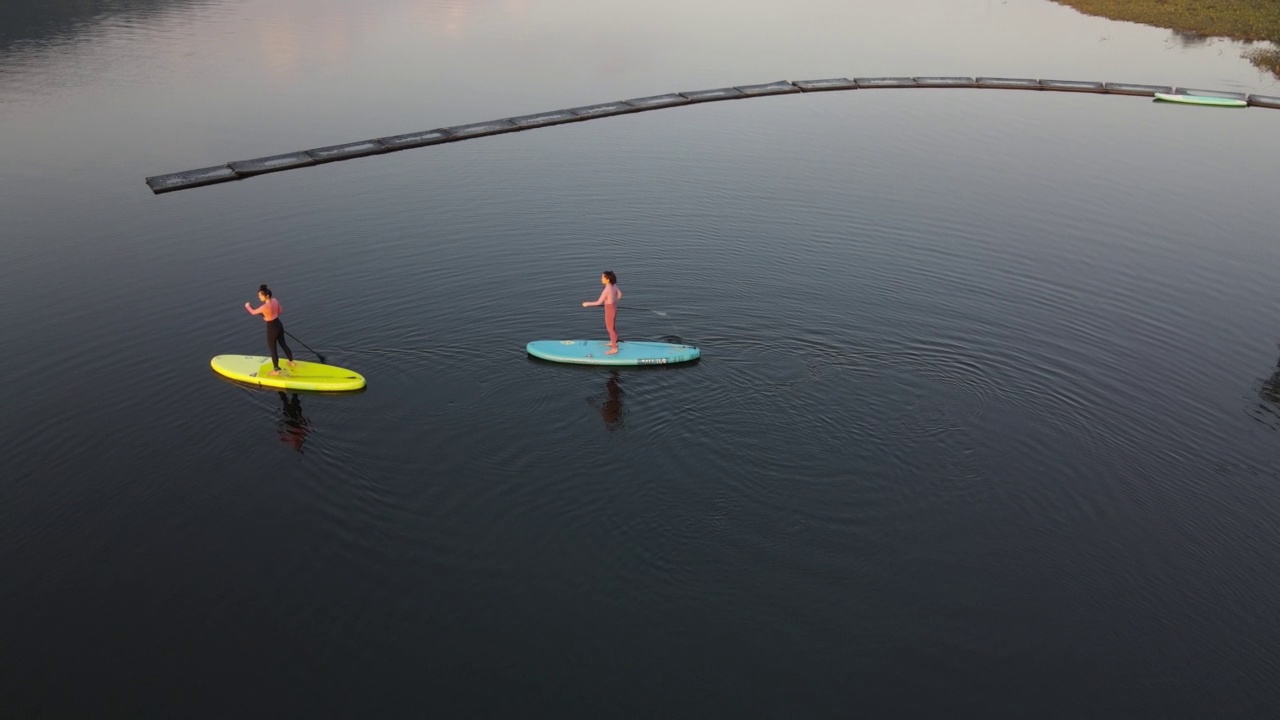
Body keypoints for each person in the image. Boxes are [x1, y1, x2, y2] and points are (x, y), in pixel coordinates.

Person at [244, 284, 295, 375]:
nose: (259, 297)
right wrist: (269, 316)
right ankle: (292, 362)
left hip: (271, 328)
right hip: (278, 324)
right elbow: (280, 311)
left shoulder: (264, 307)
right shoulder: (275, 300)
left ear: (266, 295)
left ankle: (276, 371)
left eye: (260, 295)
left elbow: (252, 312)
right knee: (283, 344)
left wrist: (247, 305)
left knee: (273, 350)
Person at [582, 270, 622, 354]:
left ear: (607, 279)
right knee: (613, 327)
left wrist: (587, 304)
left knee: (610, 329)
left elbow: (598, 302)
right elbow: (620, 294)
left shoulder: (606, 289)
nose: (601, 279)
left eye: (603, 278)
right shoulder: (613, 285)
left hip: (609, 310)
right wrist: (613, 301)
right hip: (614, 307)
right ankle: (614, 342)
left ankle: (614, 348)